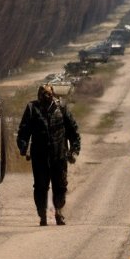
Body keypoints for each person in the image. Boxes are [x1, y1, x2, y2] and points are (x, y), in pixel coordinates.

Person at [16, 83, 81, 225]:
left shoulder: (61, 108)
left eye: (49, 94)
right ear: (39, 95)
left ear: (53, 94)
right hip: (39, 156)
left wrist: (74, 150)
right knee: (40, 186)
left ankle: (58, 211)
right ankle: (42, 214)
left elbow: (72, 130)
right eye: (44, 94)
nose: (47, 96)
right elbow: (23, 131)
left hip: (59, 155)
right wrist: (23, 148)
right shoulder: (32, 109)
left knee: (60, 185)